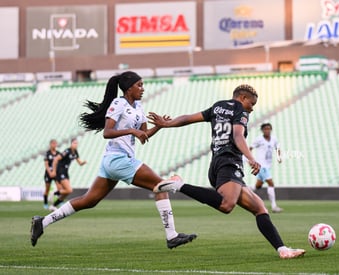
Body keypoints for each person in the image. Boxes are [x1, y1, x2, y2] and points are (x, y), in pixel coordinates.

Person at [31, 71, 197, 249]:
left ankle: (43, 222)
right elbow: (107, 132)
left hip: (114, 161)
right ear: (128, 88)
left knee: (89, 200)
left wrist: (159, 126)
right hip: (117, 159)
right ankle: (171, 236)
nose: (143, 88)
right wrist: (132, 131)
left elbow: (144, 135)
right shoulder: (118, 103)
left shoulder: (139, 107)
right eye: (139, 85)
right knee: (160, 186)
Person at [148, 84, 305, 259]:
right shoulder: (240, 111)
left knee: (260, 208)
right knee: (226, 205)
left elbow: (188, 118)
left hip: (217, 163)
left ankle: (282, 250)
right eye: (252, 104)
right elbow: (238, 135)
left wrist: (167, 123)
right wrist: (251, 158)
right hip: (229, 162)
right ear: (243, 98)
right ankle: (179, 184)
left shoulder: (218, 106)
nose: (252, 109)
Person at [250, 123, 283, 213]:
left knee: (257, 186)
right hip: (261, 165)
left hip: (268, 165)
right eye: (265, 129)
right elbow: (250, 148)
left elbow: (277, 148)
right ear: (262, 130)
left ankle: (242, 194)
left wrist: (279, 157)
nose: (267, 131)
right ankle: (274, 207)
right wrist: (250, 160)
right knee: (271, 184)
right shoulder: (259, 140)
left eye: (269, 129)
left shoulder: (274, 139)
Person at [48, 138, 87, 211]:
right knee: (69, 190)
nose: (76, 144)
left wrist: (83, 163)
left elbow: (79, 162)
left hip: (65, 172)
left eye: (76, 143)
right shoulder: (67, 151)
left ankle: (53, 205)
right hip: (60, 171)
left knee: (66, 193)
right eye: (74, 143)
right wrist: (53, 171)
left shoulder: (75, 152)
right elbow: (56, 159)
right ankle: (54, 193)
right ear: (71, 144)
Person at [42, 139, 60, 210]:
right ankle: (46, 203)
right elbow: (46, 164)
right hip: (48, 174)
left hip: (56, 173)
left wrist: (55, 172)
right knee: (47, 189)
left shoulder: (58, 153)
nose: (54, 145)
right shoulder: (47, 153)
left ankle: (58, 200)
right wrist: (50, 173)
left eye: (55, 144)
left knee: (60, 188)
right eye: (53, 144)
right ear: (50, 144)